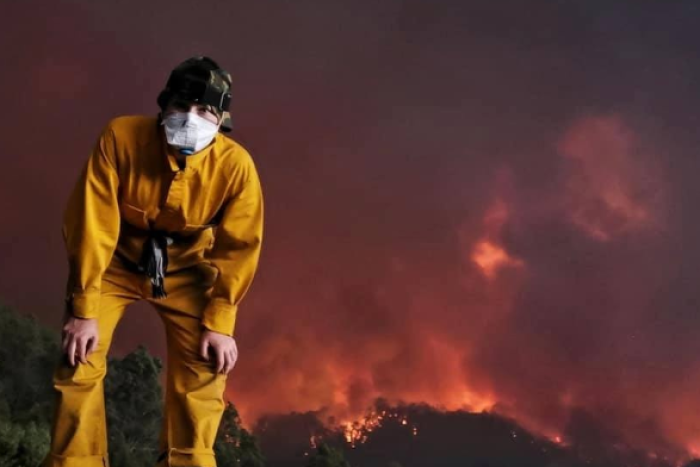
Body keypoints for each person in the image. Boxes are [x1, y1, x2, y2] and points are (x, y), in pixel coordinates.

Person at [42, 56, 264, 467]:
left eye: (204, 110)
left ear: (221, 119)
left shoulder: (236, 168)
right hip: (112, 264)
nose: (190, 118)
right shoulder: (121, 137)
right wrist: (84, 308)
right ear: (163, 105)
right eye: (182, 106)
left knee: (206, 366)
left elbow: (239, 248)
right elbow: (92, 224)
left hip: (187, 271)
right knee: (78, 359)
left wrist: (220, 321)